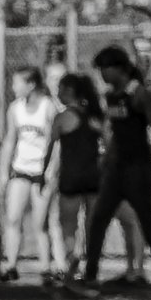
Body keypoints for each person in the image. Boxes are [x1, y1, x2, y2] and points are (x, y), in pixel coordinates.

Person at [81, 45, 151, 287]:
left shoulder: (137, 93)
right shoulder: (111, 95)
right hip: (116, 169)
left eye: (104, 69)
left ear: (118, 68)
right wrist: (107, 158)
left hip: (137, 167)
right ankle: (90, 275)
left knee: (147, 219)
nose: (101, 75)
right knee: (99, 218)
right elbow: (113, 131)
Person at [0, 67, 60, 281]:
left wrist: (51, 169)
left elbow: (55, 141)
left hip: (41, 172)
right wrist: (4, 172)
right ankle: (11, 264)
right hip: (21, 169)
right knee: (13, 218)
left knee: (40, 222)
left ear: (31, 84)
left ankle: (46, 267)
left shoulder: (48, 107)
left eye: (17, 83)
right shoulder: (15, 109)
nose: (14, 88)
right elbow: (10, 140)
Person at [41, 73, 104, 281]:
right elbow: (107, 142)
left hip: (71, 178)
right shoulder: (94, 116)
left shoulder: (62, 117)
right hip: (93, 177)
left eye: (60, 88)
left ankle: (72, 259)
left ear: (69, 91)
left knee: (68, 224)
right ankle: (90, 263)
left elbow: (49, 149)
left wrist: (43, 173)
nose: (57, 93)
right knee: (91, 224)